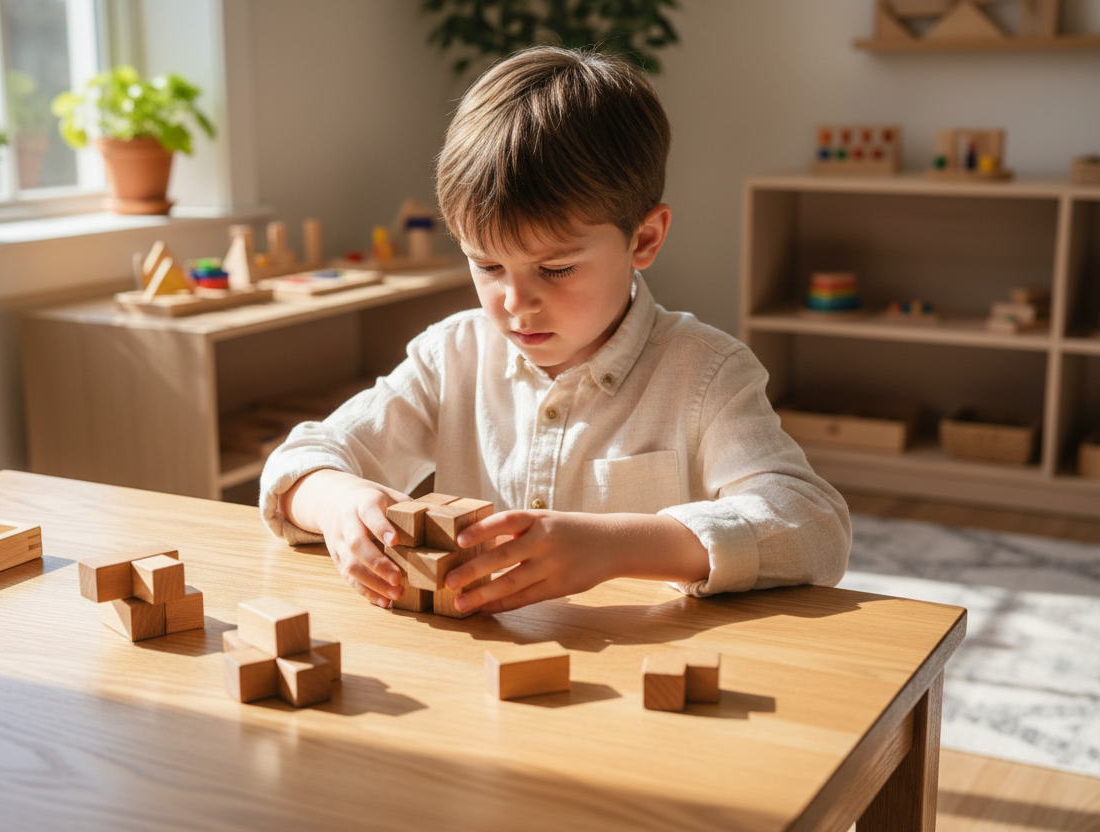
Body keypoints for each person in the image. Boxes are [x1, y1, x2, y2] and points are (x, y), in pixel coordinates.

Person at [260, 45, 851, 615]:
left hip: (641, 689)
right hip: (484, 680)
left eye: (556, 268)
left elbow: (815, 526)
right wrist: (338, 502)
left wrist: (613, 546)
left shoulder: (706, 374)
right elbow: (301, 460)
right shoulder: (452, 356)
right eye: (487, 266)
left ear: (643, 239)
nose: (516, 302)